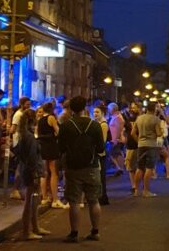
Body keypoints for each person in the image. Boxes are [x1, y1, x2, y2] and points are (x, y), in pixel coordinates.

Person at [58, 96, 105, 243]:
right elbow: (101, 148)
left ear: (71, 108)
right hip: (91, 166)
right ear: (86, 108)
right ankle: (95, 231)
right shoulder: (95, 125)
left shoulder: (66, 126)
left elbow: (61, 148)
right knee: (93, 200)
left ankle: (74, 233)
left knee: (74, 201)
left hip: (73, 168)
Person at [16, 109, 51, 240]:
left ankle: (35, 227)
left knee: (34, 200)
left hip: (29, 169)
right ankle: (27, 231)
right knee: (30, 201)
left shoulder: (25, 134)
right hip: (31, 171)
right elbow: (31, 157)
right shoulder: (29, 137)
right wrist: (35, 172)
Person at [37, 102, 67, 209]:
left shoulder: (40, 119)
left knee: (44, 173)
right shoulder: (51, 118)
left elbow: (37, 134)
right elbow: (58, 132)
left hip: (43, 147)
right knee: (54, 172)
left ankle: (44, 197)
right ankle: (55, 199)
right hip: (51, 146)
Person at [131, 102, 162, 197]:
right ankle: (146, 190)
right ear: (155, 109)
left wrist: (139, 141)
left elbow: (132, 133)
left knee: (139, 167)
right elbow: (158, 133)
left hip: (141, 145)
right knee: (149, 168)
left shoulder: (139, 118)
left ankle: (136, 190)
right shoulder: (155, 119)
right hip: (151, 145)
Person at [9, 97, 32, 200]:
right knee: (20, 166)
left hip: (24, 141)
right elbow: (12, 129)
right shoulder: (18, 115)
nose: (29, 106)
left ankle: (19, 188)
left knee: (23, 166)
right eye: (27, 104)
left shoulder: (25, 114)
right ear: (22, 104)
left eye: (29, 104)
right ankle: (15, 189)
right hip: (19, 142)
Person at [92, 105, 110, 205]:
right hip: (96, 152)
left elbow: (102, 140)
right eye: (94, 112)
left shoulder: (103, 124)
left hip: (100, 153)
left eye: (97, 112)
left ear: (102, 113)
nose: (95, 114)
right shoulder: (96, 123)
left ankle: (102, 196)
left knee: (101, 175)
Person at [123, 102, 140, 193]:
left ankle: (137, 185)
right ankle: (133, 185)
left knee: (138, 166)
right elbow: (126, 131)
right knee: (130, 167)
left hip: (138, 144)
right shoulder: (128, 119)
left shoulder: (140, 119)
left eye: (135, 108)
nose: (133, 109)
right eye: (132, 107)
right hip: (130, 145)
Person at [107, 103, 125, 177]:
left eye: (109, 109)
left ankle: (119, 168)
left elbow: (119, 129)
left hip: (117, 139)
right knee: (115, 153)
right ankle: (119, 168)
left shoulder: (118, 117)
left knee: (114, 153)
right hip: (115, 139)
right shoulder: (115, 116)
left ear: (112, 109)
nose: (108, 110)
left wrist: (116, 138)